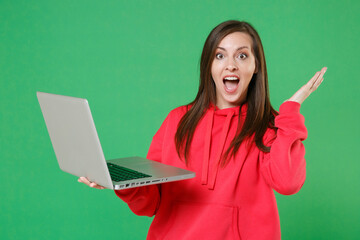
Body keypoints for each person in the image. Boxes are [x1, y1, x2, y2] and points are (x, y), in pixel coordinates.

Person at [78, 20, 327, 240]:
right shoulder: (177, 120)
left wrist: (290, 112)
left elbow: (288, 184)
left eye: (241, 56)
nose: (230, 65)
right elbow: (151, 203)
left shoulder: (270, 125)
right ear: (209, 65)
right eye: (220, 56)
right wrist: (123, 182)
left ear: (256, 66)